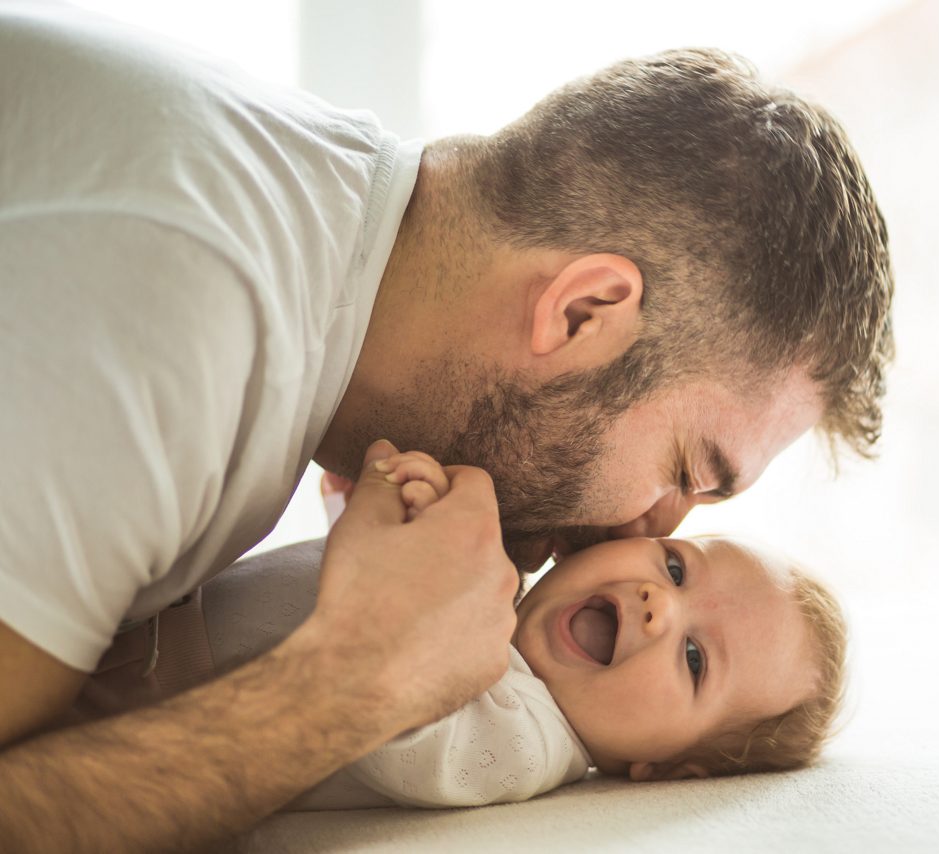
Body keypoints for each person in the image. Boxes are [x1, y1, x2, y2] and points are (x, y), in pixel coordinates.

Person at [0, 2, 892, 849]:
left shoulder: (300, 217)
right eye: (687, 471)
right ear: (582, 313)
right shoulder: (171, 322)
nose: (647, 527)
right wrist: (347, 686)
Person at [77, 451, 849, 809]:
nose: (657, 604)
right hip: (140, 615)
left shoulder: (524, 744)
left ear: (662, 768)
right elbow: (363, 592)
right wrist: (368, 518)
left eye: (692, 657)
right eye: (677, 569)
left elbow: (388, 710)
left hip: (141, 702)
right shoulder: (493, 594)